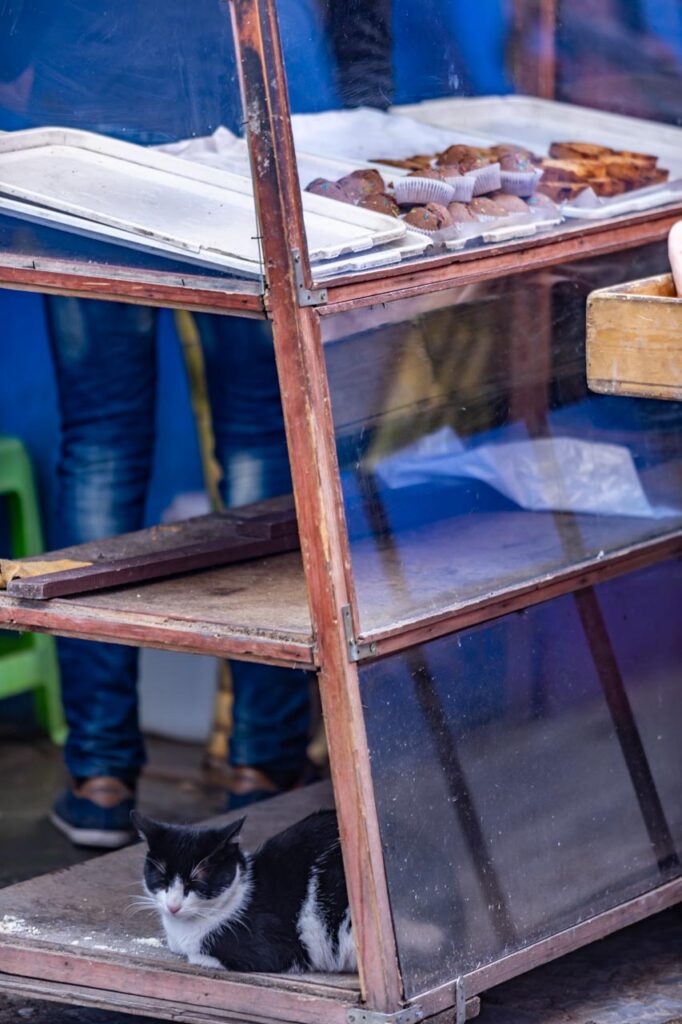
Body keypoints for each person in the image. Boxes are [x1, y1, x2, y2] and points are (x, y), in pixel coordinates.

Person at [0, 0, 343, 847]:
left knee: (101, 443)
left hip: (84, 114)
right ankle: (261, 762)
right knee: (263, 435)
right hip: (238, 117)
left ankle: (102, 776)